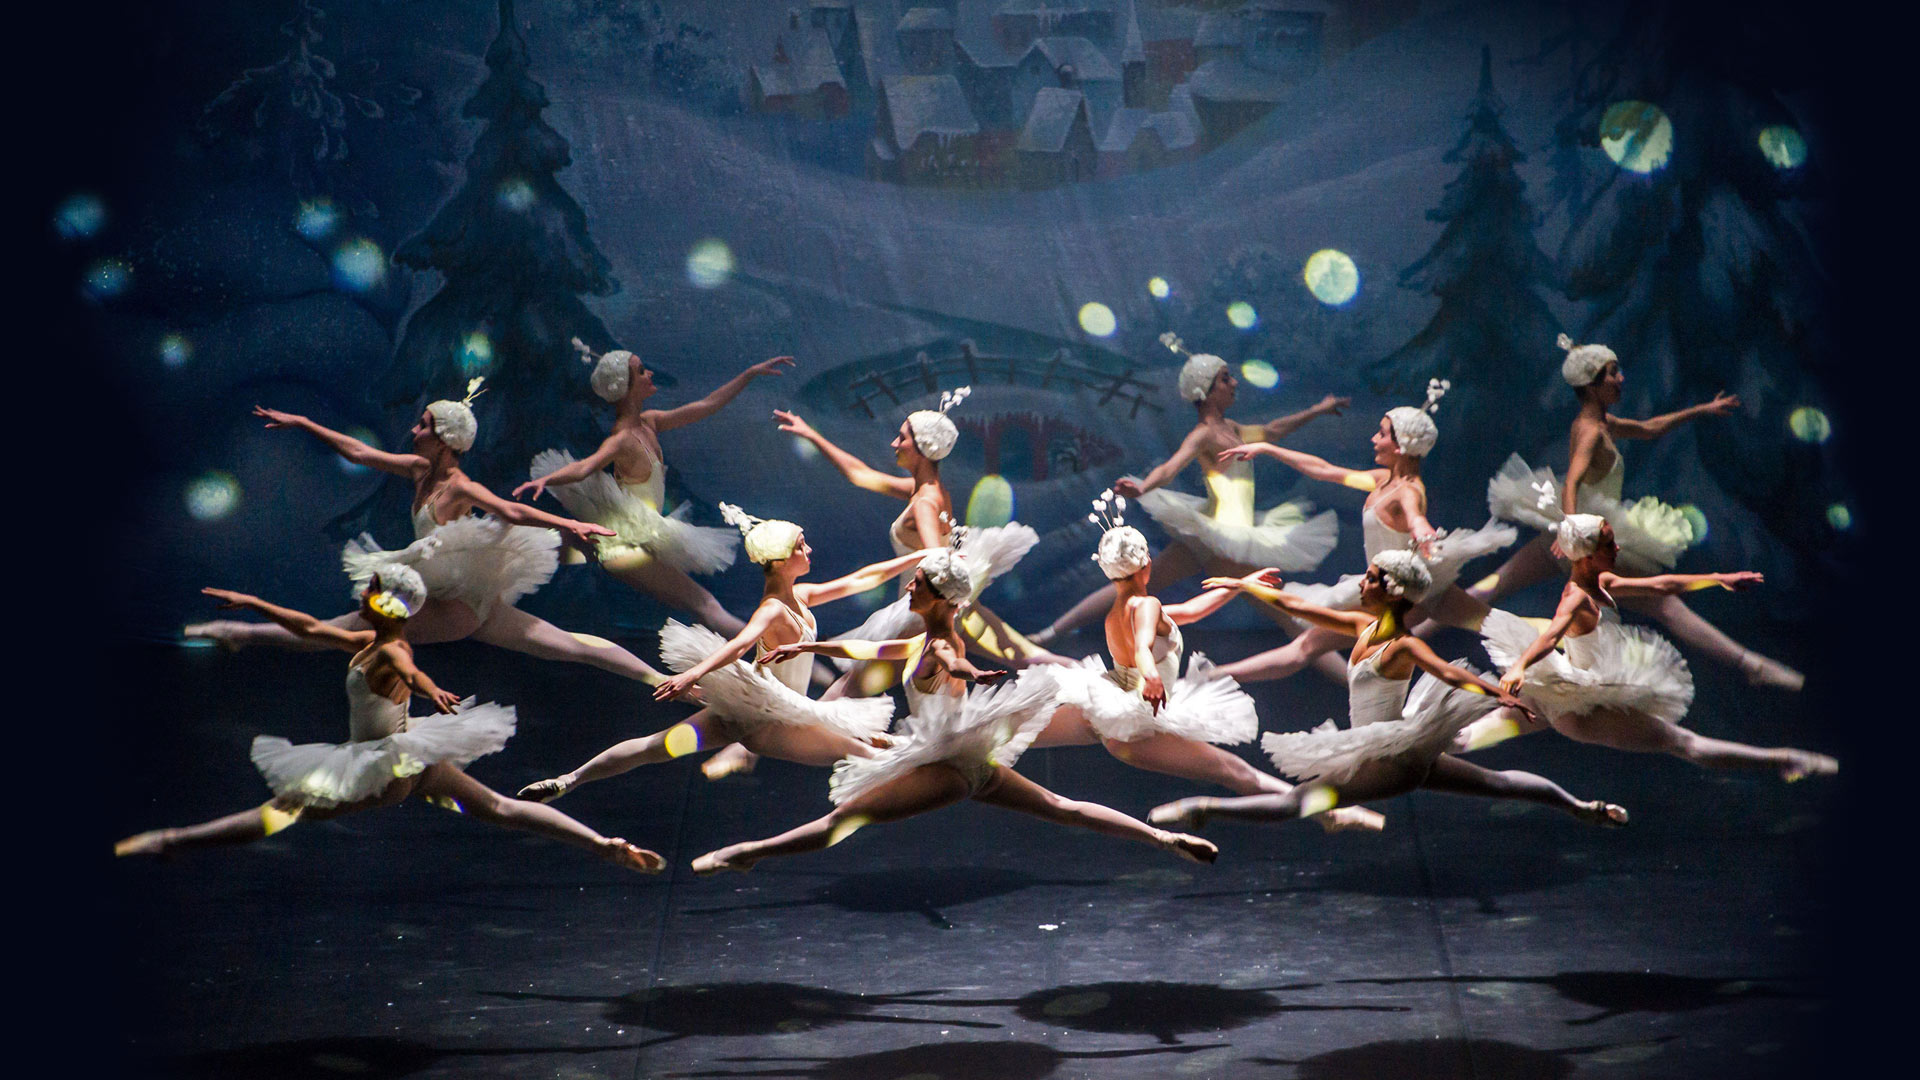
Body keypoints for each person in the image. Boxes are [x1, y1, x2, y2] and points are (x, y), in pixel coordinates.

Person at [687, 546, 1218, 874]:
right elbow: (869, 649)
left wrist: (970, 674)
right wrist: (808, 647)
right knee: (1061, 806)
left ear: (940, 598)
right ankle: (1161, 837)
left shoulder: (941, 645)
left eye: (918, 583)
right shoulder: (925, 638)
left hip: (947, 767)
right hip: (965, 758)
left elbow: (950, 661)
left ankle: (748, 852)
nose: (909, 587)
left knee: (843, 819)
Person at [118, 568, 662, 873]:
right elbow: (308, 628)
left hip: (384, 767)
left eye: (372, 588)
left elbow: (408, 669)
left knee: (283, 812)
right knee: (499, 808)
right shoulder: (369, 638)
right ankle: (602, 844)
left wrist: (431, 689)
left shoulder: (390, 650)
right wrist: (251, 602)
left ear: (389, 605)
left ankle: (172, 840)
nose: (363, 591)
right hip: (409, 756)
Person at [186, 384, 674, 685]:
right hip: (467, 602)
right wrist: (303, 423)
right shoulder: (420, 469)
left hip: (457, 609)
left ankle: (238, 634)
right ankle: (657, 678)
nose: (414, 431)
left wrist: (570, 524)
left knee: (342, 632)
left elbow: (509, 510)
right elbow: (360, 454)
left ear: (445, 440)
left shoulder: (460, 485)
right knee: (568, 645)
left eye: (423, 426)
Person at [1149, 553, 1629, 831]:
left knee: (1300, 801)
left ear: (1394, 592)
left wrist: (1497, 693)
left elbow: (1446, 672)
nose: (1362, 582)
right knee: (1495, 783)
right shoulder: (1361, 625)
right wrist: (1245, 586)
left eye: (1372, 578)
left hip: (1391, 761)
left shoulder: (1403, 644)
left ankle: (1205, 808)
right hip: (1400, 747)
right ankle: (1582, 808)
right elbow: (1300, 607)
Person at [513, 506, 927, 800]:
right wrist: (691, 676)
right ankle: (931, 773)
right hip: (772, 722)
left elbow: (862, 579)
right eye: (802, 546)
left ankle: (569, 780)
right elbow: (740, 643)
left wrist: (917, 557)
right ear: (781, 561)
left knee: (654, 747)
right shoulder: (773, 609)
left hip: (748, 707)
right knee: (861, 748)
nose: (810, 551)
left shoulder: (800, 595)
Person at [1027, 494, 1386, 832]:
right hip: (1137, 724)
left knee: (1234, 771)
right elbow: (1142, 648)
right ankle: (1331, 813)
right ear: (1147, 564)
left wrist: (1240, 585)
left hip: (1121, 717)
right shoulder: (1147, 606)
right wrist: (1151, 676)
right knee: (1236, 772)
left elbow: (1190, 611)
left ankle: (1328, 814)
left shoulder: (1121, 609)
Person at [1470, 334, 1802, 690]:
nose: (1621, 379)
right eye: (1613, 373)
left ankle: (1430, 614)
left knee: (1498, 584)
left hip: (1577, 531)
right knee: (1667, 606)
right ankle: (1750, 664)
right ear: (1592, 385)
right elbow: (1572, 482)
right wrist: (1571, 533)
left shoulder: (1602, 424)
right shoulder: (1591, 432)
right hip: (1586, 536)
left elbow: (1649, 428)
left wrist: (1702, 410)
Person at [1454, 513, 1838, 781]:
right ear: (1587, 554)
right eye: (1609, 543)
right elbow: (1550, 635)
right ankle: (1787, 760)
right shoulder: (1576, 596)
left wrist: (1718, 577)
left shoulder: (1599, 579)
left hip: (1562, 691)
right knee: (1684, 743)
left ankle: (1416, 745)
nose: (1618, 547)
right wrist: (1520, 666)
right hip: (1580, 704)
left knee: (1469, 737)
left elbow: (1661, 586)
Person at [1030, 333, 1344, 645]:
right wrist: (1143, 487)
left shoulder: (1232, 429)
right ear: (1206, 391)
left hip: (1221, 537)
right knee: (1287, 616)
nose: (1234, 383)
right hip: (1222, 538)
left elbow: (1273, 430)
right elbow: (1170, 468)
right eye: (1225, 379)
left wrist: (1317, 410)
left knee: (1135, 589)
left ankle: (1050, 633)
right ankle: (1050, 634)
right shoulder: (1203, 435)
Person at [1206, 380, 1516, 684]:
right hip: (1403, 588)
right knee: (1493, 624)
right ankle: (1532, 662)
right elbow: (1326, 471)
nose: (1373, 439)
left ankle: (1210, 678)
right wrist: (1268, 449)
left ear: (1401, 446)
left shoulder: (1407, 490)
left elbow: (1414, 514)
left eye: (1381, 434)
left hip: (1396, 596)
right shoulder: (1383, 480)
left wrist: (1421, 529)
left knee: (1311, 648)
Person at [517, 341, 795, 636]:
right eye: (640, 371)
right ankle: (781, 648)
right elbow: (586, 467)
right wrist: (547, 480)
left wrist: (749, 373)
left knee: (704, 606)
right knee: (706, 605)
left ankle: (777, 647)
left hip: (642, 537)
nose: (649, 373)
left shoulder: (649, 422)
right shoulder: (622, 439)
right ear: (625, 387)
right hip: (623, 547)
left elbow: (706, 405)